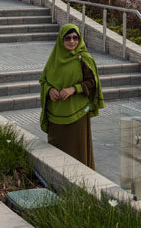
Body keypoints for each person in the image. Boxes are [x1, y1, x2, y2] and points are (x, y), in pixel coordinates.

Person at [39, 24, 103, 169]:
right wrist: (49, 90)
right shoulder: (54, 59)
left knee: (78, 154)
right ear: (61, 40)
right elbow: (43, 80)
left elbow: (93, 82)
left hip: (77, 114)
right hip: (56, 115)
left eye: (75, 38)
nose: (72, 41)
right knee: (57, 153)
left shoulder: (84, 58)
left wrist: (74, 89)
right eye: (68, 38)